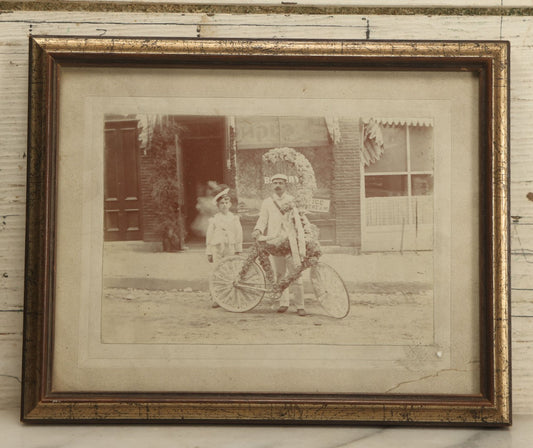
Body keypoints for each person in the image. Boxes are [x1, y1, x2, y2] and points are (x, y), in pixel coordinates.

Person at [251, 174, 307, 317]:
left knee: (295, 273)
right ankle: (284, 303)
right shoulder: (267, 202)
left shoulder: (292, 201)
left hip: (290, 242)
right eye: (275, 182)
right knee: (280, 274)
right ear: (272, 185)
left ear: (285, 185)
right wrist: (258, 229)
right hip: (275, 241)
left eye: (280, 182)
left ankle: (300, 305)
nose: (278, 185)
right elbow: (262, 219)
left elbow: (300, 219)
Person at [206, 186, 243, 307]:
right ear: (218, 206)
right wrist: (209, 252)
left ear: (230, 204)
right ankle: (216, 298)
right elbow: (209, 237)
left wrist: (238, 250)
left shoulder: (234, 219)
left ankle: (229, 297)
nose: (224, 205)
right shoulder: (214, 220)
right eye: (221, 203)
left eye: (226, 202)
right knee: (217, 272)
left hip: (230, 247)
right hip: (217, 248)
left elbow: (238, 235)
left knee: (229, 272)